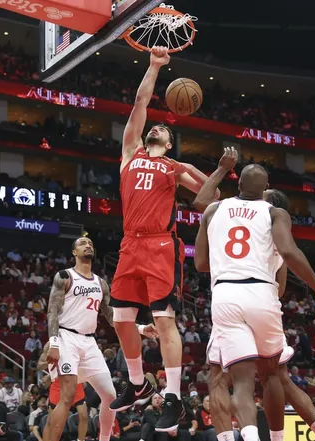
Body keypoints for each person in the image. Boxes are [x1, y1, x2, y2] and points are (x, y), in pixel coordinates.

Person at [110, 46, 220, 433]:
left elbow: (213, 198)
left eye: (165, 131)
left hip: (160, 245)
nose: (157, 128)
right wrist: (155, 65)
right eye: (155, 127)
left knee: (163, 319)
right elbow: (141, 100)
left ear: (169, 144)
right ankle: (138, 383)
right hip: (129, 244)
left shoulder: (175, 168)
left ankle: (173, 396)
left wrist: (206, 170)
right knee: (120, 318)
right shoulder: (129, 151)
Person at [193, 155, 315, 441]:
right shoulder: (273, 216)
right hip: (262, 293)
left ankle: (247, 436)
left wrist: (221, 168)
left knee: (231, 379)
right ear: (265, 188)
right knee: (274, 375)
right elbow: (289, 256)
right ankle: (305, 436)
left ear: (239, 182)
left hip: (225, 294)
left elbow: (200, 263)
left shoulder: (215, 209)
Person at [43, 237, 157, 441]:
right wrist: (53, 343)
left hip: (89, 342)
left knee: (111, 396)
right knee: (67, 397)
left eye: (91, 244)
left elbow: (113, 317)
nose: (88, 245)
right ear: (74, 252)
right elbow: (52, 312)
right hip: (66, 337)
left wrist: (139, 328)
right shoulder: (64, 276)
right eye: (82, 244)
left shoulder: (101, 283)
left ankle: (103, 439)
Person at [40, 342, 89, 441]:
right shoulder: (50, 345)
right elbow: (39, 366)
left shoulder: (76, 340)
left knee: (84, 416)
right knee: (51, 420)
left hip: (75, 381)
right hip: (58, 383)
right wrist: (49, 361)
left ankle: (81, 440)